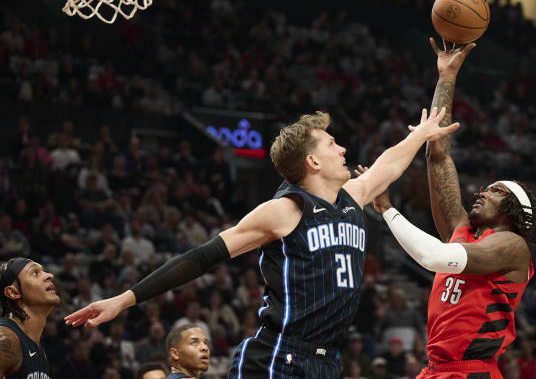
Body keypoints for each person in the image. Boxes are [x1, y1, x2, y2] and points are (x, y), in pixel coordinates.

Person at [66, 108, 459, 378]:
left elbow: (390, 163)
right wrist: (123, 299)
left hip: (328, 362)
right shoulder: (285, 210)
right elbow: (201, 257)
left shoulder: (353, 196)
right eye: (332, 144)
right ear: (313, 162)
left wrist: (424, 130)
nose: (343, 150)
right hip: (279, 358)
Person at [372, 38, 536, 379]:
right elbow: (437, 153)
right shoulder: (466, 231)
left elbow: (435, 258)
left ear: (513, 211)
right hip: (436, 370)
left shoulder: (513, 247)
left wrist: (388, 211)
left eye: (496, 192)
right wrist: (447, 77)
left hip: (472, 372)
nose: (482, 192)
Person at [0, 257, 60, 378]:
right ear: (13, 292)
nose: (50, 275)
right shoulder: (6, 338)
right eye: (35, 273)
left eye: (44, 271)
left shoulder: (37, 347)